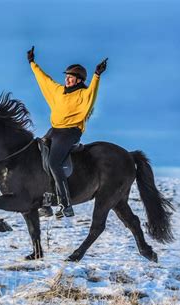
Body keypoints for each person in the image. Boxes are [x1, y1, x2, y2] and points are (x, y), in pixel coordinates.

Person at [27, 46, 107, 218]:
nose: (67, 80)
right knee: (38, 154)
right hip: (54, 130)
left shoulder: (83, 95)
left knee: (54, 162)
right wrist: (33, 63)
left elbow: (93, 92)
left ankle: (66, 203)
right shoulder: (58, 91)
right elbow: (44, 80)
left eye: (71, 78)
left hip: (70, 132)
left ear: (79, 80)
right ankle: (46, 202)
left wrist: (97, 75)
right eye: (67, 77)